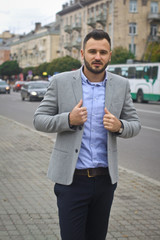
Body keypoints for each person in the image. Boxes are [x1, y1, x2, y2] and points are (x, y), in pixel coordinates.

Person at [33, 29, 141, 240]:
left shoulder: (121, 85)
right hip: (71, 181)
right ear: (82, 53)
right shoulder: (60, 82)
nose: (97, 57)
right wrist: (68, 120)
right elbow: (39, 120)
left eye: (103, 52)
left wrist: (119, 126)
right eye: (92, 51)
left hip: (105, 182)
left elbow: (135, 124)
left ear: (110, 55)